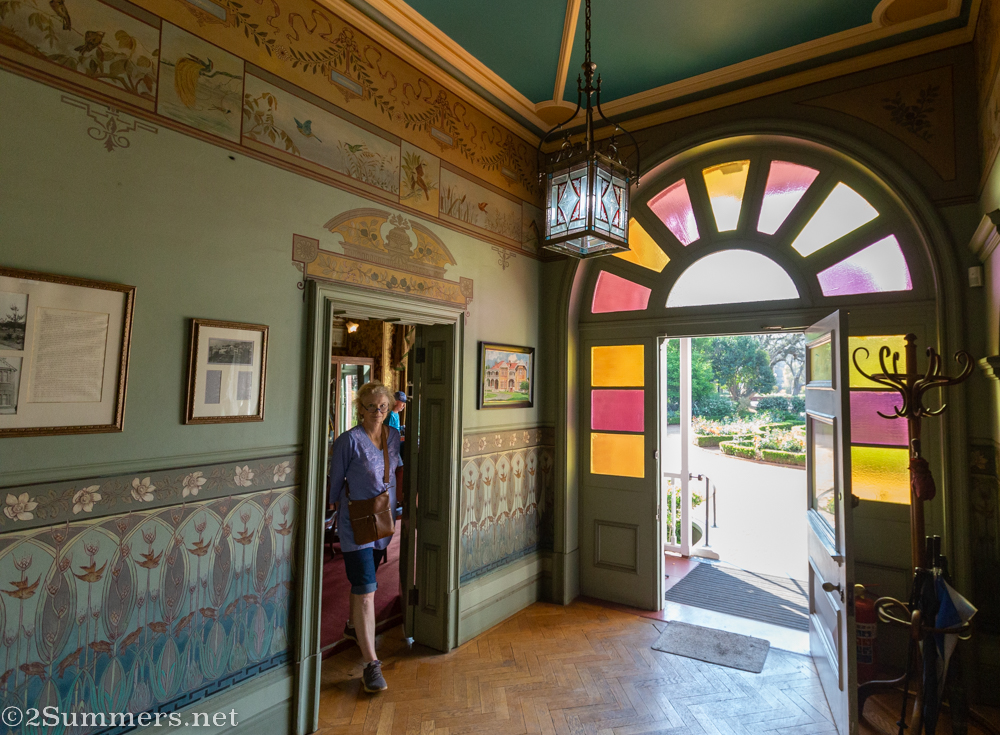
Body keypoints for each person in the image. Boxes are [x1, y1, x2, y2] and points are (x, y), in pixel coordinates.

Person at [328, 381, 401, 693]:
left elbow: (399, 471)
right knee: (368, 590)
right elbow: (334, 483)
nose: (378, 412)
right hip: (355, 525)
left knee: (363, 587)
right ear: (359, 409)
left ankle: (352, 626)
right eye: (372, 407)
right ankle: (372, 664)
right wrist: (330, 508)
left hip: (382, 523)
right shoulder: (348, 441)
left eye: (383, 406)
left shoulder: (394, 437)